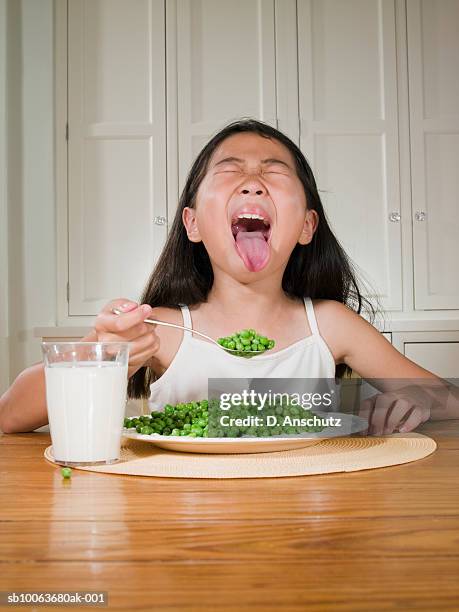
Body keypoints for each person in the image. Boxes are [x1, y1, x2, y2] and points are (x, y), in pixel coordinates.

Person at [0, 119, 456, 434]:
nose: (253, 182)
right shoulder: (164, 329)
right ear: (193, 224)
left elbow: (448, 398)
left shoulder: (330, 324)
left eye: (274, 172)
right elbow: (11, 414)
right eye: (230, 170)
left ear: (306, 226)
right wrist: (99, 354)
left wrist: (419, 400)